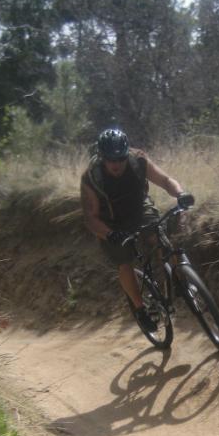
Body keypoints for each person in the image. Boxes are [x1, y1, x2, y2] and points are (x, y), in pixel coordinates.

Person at [80, 126, 189, 332]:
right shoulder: (92, 178)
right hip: (110, 221)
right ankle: (140, 309)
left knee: (160, 238)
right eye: (111, 160)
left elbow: (166, 181)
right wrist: (110, 234)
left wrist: (180, 194)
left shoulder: (137, 160)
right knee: (123, 261)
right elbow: (91, 218)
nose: (116, 164)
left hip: (138, 207)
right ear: (102, 157)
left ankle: (181, 282)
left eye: (120, 158)